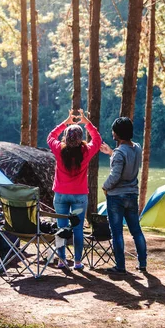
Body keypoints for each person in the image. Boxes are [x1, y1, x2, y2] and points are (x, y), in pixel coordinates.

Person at [47, 108, 102, 270]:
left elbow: (50, 136)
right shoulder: (86, 151)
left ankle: (62, 260)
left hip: (61, 196)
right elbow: (97, 140)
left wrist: (65, 123)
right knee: (78, 229)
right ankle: (77, 262)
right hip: (79, 197)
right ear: (80, 139)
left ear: (66, 138)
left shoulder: (58, 149)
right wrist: (88, 124)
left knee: (61, 228)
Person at [100, 117, 147, 274]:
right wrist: (110, 153)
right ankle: (142, 263)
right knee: (136, 231)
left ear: (118, 134)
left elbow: (115, 175)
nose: (112, 133)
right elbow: (125, 159)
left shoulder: (120, 152)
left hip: (117, 197)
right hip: (132, 195)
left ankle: (120, 267)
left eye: (114, 130)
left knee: (117, 233)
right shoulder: (137, 148)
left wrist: (105, 187)